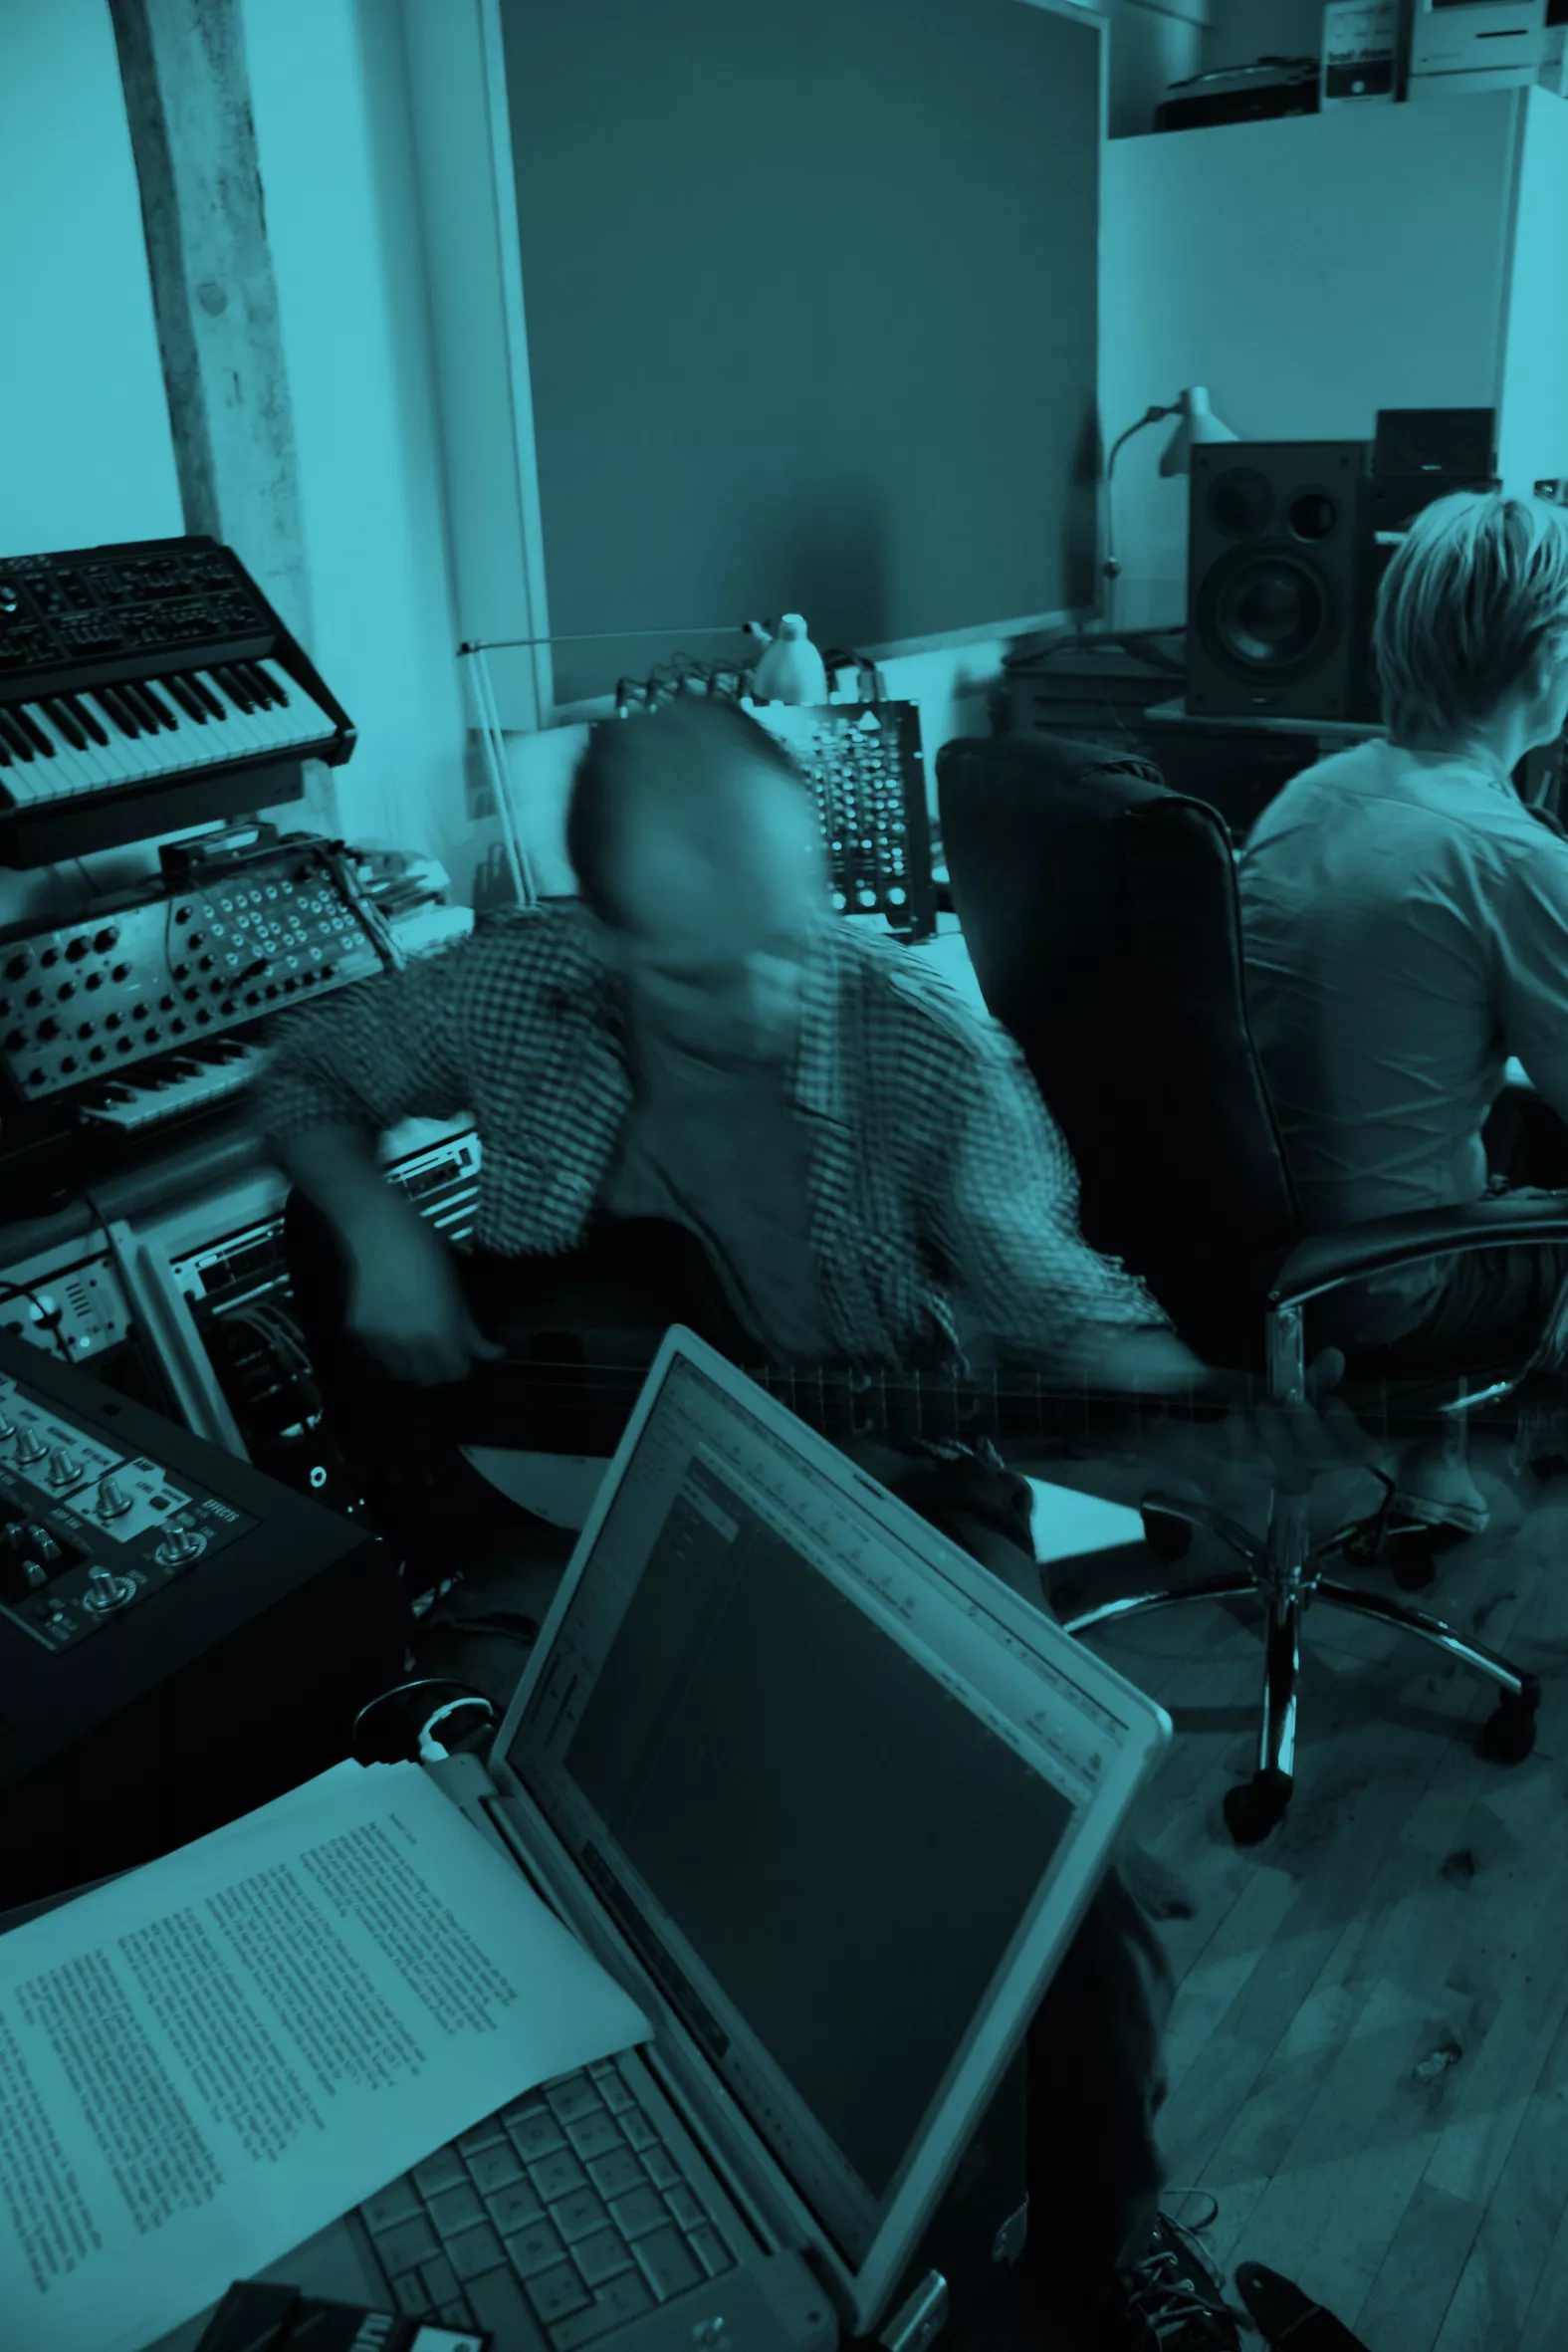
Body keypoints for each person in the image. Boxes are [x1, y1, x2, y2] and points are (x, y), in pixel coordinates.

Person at [254, 691, 1356, 2352]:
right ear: (603, 933)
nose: (770, 996)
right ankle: (598, 2230)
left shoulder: (910, 1033)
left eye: (787, 936)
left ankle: (1107, 2242)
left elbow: (1048, 1296)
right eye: (702, 974)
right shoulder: (518, 983)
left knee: (1062, 1892)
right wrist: (382, 1229)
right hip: (567, 1497)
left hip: (891, 1488)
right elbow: (308, 1076)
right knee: (452, 1790)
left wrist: (1186, 1406)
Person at [1238, 490, 1568, 1523]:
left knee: (1485, 1120)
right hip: (1388, 1287)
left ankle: (1429, 1459)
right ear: (1549, 656)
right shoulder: (1509, 857)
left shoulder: (1311, 796)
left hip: (1250, 1249)